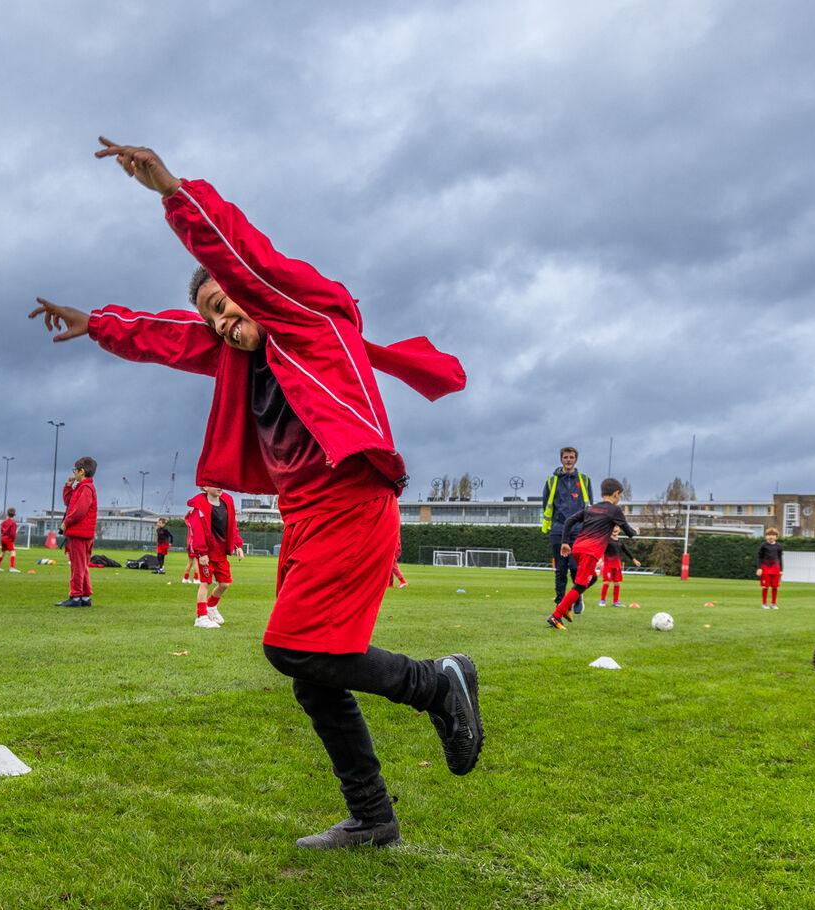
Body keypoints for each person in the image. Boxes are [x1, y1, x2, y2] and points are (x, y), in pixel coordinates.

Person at [29, 138, 479, 849]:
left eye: (223, 302)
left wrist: (172, 192)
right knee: (311, 672)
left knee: (289, 649)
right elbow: (171, 336)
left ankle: (435, 683)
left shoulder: (307, 321)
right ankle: (372, 817)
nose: (219, 320)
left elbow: (247, 257)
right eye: (210, 313)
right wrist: (99, 325)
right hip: (306, 520)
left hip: (352, 506)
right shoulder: (239, 353)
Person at [547, 478, 636, 630]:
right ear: (616, 494)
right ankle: (556, 615)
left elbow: (569, 521)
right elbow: (629, 532)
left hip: (578, 548)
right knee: (580, 585)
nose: (619, 498)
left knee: (592, 578)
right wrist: (636, 531)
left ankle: (567, 606)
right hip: (590, 552)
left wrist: (565, 542)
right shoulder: (615, 510)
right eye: (620, 496)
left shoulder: (591, 508)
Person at [541, 448, 592, 614]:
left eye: (571, 457)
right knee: (560, 568)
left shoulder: (584, 480)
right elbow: (546, 504)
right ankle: (560, 603)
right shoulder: (551, 480)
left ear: (576, 460)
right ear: (561, 459)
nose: (568, 460)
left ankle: (577, 596)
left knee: (576, 567)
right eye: (565, 457)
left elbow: (589, 505)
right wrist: (555, 523)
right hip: (558, 528)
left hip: (578, 529)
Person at [185, 486, 244, 628]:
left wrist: (238, 545)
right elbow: (197, 531)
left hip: (221, 553)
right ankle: (201, 617)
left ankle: (211, 607)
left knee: (225, 583)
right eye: (214, 483)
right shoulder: (198, 506)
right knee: (205, 583)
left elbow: (232, 525)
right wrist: (202, 552)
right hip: (207, 553)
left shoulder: (227, 501)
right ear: (204, 487)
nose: (219, 487)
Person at [57, 458, 98, 607]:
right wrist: (68, 486)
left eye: (75, 470)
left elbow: (79, 511)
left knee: (77, 567)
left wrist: (65, 523)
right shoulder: (81, 487)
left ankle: (75, 596)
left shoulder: (86, 488)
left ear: (82, 471)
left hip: (79, 534)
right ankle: (85, 597)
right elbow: (69, 501)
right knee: (83, 566)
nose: (73, 473)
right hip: (82, 534)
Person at [598, 525, 640, 606]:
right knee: (607, 582)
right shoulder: (607, 540)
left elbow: (626, 551)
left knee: (617, 583)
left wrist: (634, 560)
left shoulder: (620, 542)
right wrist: (598, 560)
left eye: (617, 527)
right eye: (613, 527)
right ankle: (602, 601)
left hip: (617, 566)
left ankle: (615, 602)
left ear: (619, 530)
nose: (615, 529)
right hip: (608, 565)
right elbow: (600, 549)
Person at [757, 527, 783, 609]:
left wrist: (781, 569)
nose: (771, 536)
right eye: (769, 535)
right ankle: (764, 604)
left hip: (776, 568)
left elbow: (780, 558)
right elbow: (759, 557)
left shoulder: (779, 546)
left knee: (775, 586)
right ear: (766, 536)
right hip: (765, 568)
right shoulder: (763, 545)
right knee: (765, 586)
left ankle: (773, 604)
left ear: (776, 536)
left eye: (773, 535)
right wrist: (759, 568)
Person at [0, 508, 21, 573]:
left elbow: (1, 531)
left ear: (8, 514)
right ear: (14, 514)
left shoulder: (3, 522)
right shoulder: (13, 523)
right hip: (8, 539)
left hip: (3, 538)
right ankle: (12, 568)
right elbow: (13, 533)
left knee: (3, 552)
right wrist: (12, 540)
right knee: (13, 552)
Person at [181, 510, 200, 584]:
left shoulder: (188, 521)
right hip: (194, 543)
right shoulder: (195, 523)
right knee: (196, 561)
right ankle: (196, 579)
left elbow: (186, 517)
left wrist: (190, 512)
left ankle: (185, 578)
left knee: (190, 562)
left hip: (190, 543)